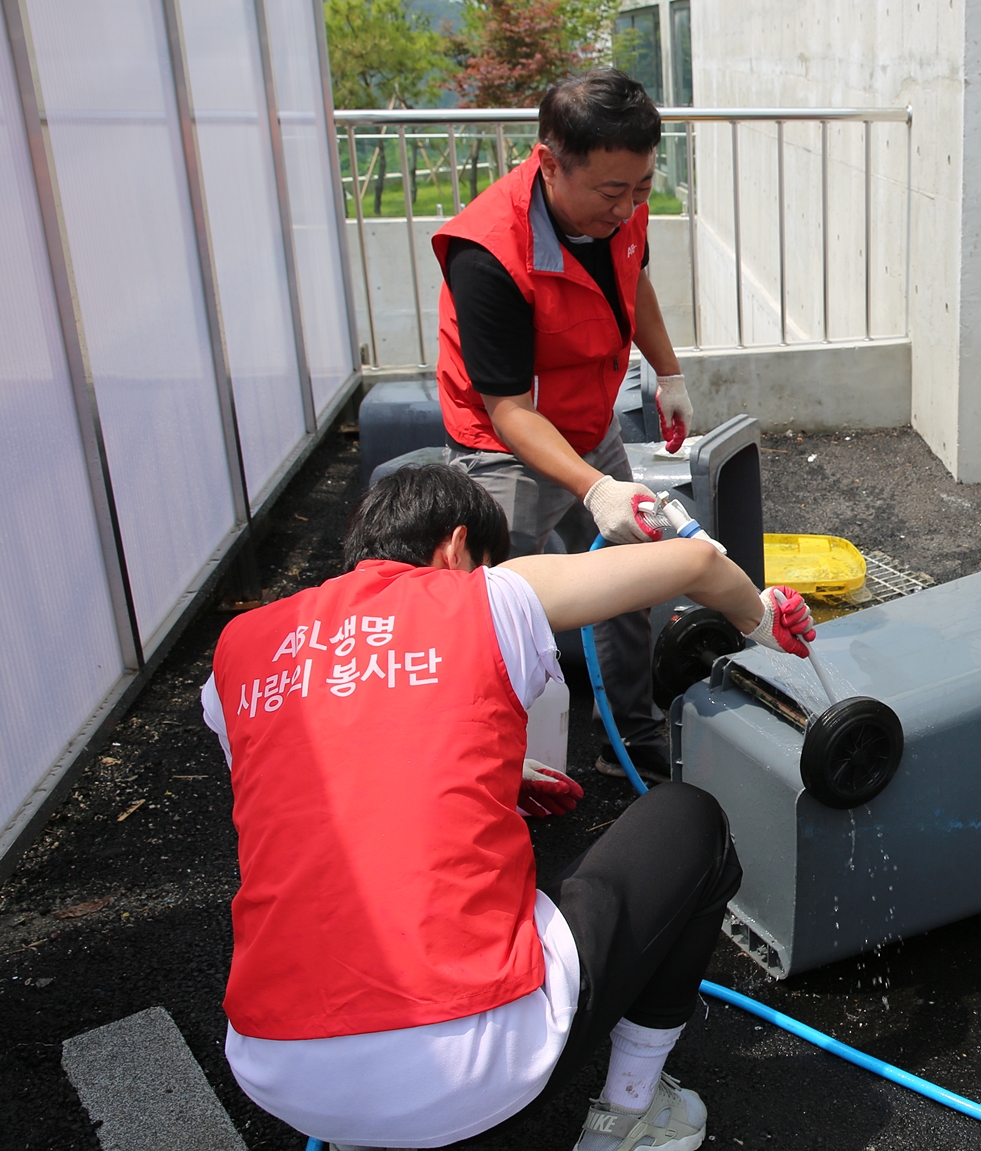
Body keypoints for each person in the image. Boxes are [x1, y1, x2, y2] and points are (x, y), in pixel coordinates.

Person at [201, 465, 816, 1149]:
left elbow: (311, 780)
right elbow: (697, 559)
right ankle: (633, 1113)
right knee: (688, 821)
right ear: (456, 548)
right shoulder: (483, 595)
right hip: (472, 1067)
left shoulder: (241, 647)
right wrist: (762, 620)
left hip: (280, 1070)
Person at [432, 68, 691, 784]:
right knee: (489, 609)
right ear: (549, 164)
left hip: (587, 419)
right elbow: (510, 411)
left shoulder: (620, 203)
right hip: (504, 449)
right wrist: (595, 488)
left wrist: (667, 375)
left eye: (642, 188)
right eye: (614, 192)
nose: (630, 206)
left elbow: (633, 276)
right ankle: (478, 769)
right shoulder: (489, 253)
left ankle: (629, 736)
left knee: (630, 578)